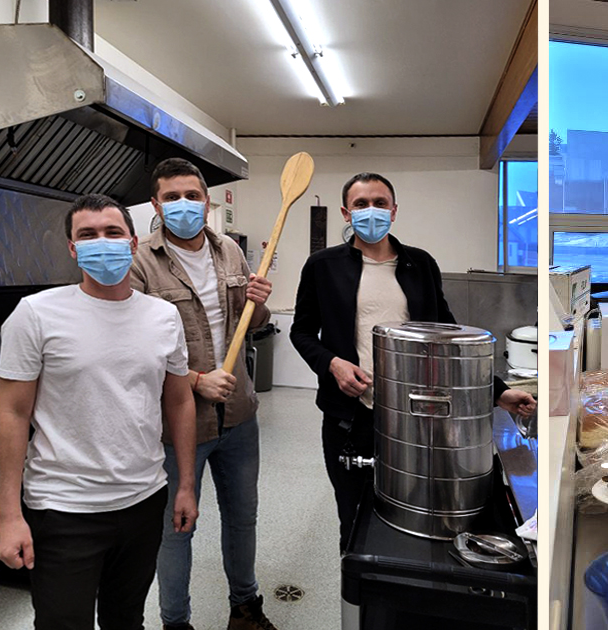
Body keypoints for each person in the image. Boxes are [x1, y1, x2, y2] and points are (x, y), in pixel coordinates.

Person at [291, 172, 537, 551]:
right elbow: (302, 331)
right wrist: (332, 364)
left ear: (393, 210)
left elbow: (450, 340)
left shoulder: (418, 264)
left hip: (416, 419)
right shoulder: (323, 266)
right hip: (351, 417)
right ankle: (355, 600)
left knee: (412, 518)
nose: (370, 211)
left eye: (379, 203)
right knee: (354, 519)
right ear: (345, 212)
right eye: (360, 204)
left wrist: (499, 393)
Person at [0, 194, 199, 630]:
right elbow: (11, 413)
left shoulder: (163, 316)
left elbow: (179, 401)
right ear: (72, 248)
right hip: (64, 508)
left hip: (143, 501)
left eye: (112, 232)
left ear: (133, 241)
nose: (100, 242)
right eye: (87, 235)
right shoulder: (36, 314)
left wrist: (186, 486)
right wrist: (9, 516)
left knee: (127, 619)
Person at [130, 158, 279, 630]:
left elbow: (251, 326)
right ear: (156, 204)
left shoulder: (230, 252)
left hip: (238, 414)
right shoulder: (139, 262)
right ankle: (176, 622)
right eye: (171, 197)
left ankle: (245, 608)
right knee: (178, 529)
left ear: (207, 201)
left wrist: (260, 302)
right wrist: (196, 380)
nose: (184, 205)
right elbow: (133, 348)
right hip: (177, 423)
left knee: (243, 518)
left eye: (192, 196)